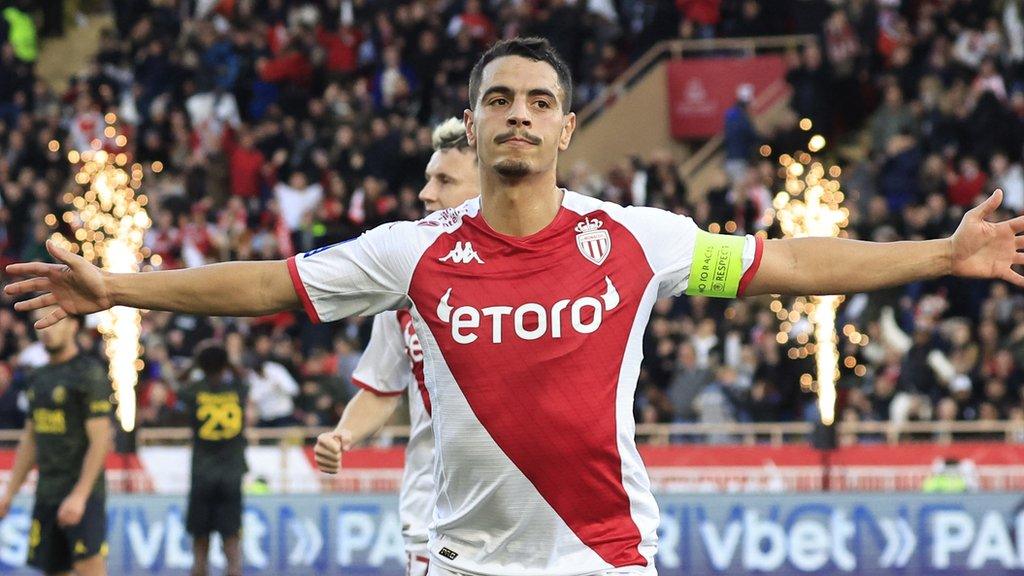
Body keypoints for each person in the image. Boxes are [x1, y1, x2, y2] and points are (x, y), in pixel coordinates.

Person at [6, 37, 1024, 575]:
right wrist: (116, 289)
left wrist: (942, 249)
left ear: (567, 125)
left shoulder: (639, 240)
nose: (519, 116)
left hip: (606, 561)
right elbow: (272, 283)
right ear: (477, 121)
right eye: (499, 100)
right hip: (460, 565)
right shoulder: (412, 255)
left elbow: (792, 265)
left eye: (538, 101)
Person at [314, 116, 479, 576]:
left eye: (444, 180)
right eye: (428, 178)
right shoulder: (405, 282)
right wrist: (344, 435)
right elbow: (382, 387)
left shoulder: (540, 278)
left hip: (525, 517)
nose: (426, 193)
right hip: (434, 517)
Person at [0, 307, 112, 576]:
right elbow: (30, 439)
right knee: (51, 570)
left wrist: (80, 496)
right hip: (46, 493)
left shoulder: (89, 373)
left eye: (54, 321)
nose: (46, 329)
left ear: (73, 325)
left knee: (89, 568)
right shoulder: (37, 377)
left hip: (81, 494)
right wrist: (10, 493)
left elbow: (101, 440)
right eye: (41, 321)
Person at [179, 341, 248, 576]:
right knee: (231, 544)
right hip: (231, 474)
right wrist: (228, 361)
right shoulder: (237, 390)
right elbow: (245, 378)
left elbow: (178, 383)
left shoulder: (195, 390)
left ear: (202, 366)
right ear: (224, 366)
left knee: (200, 545)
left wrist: (194, 362)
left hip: (202, 474)